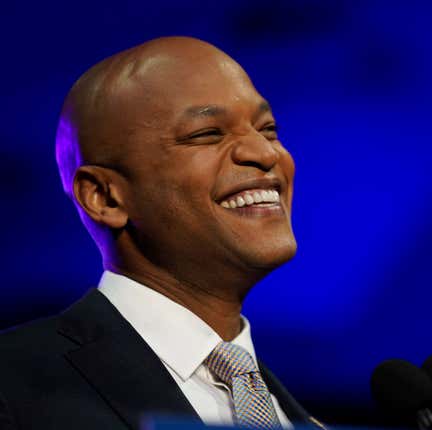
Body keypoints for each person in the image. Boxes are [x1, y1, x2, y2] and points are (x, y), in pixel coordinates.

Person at [0, 36, 322, 430]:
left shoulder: (295, 415)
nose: (267, 153)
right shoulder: (14, 388)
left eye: (268, 129)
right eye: (207, 133)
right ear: (105, 197)